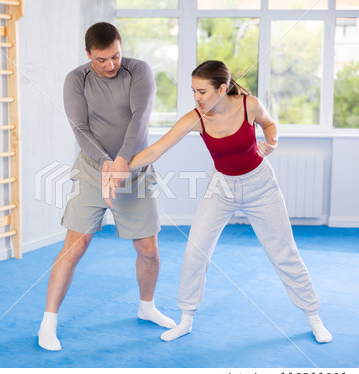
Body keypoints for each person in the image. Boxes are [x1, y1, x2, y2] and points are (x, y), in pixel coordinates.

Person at [106, 60, 332, 344]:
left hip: (260, 185)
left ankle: (313, 316)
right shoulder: (196, 118)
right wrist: (121, 168)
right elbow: (156, 150)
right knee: (195, 251)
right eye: (193, 91)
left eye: (202, 91)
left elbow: (270, 124)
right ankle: (186, 319)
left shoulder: (249, 105)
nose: (196, 98)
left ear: (222, 88)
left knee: (283, 252)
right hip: (221, 187)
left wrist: (271, 142)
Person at [37, 22, 176, 351]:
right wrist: (105, 164)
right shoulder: (76, 79)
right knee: (75, 247)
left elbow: (140, 119)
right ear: (88, 55)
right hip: (92, 169)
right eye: (101, 59)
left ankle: (147, 307)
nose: (110, 65)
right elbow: (80, 129)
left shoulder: (139, 71)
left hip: (134, 170)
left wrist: (123, 161)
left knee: (149, 250)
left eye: (115, 56)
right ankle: (48, 322)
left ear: (120, 47)